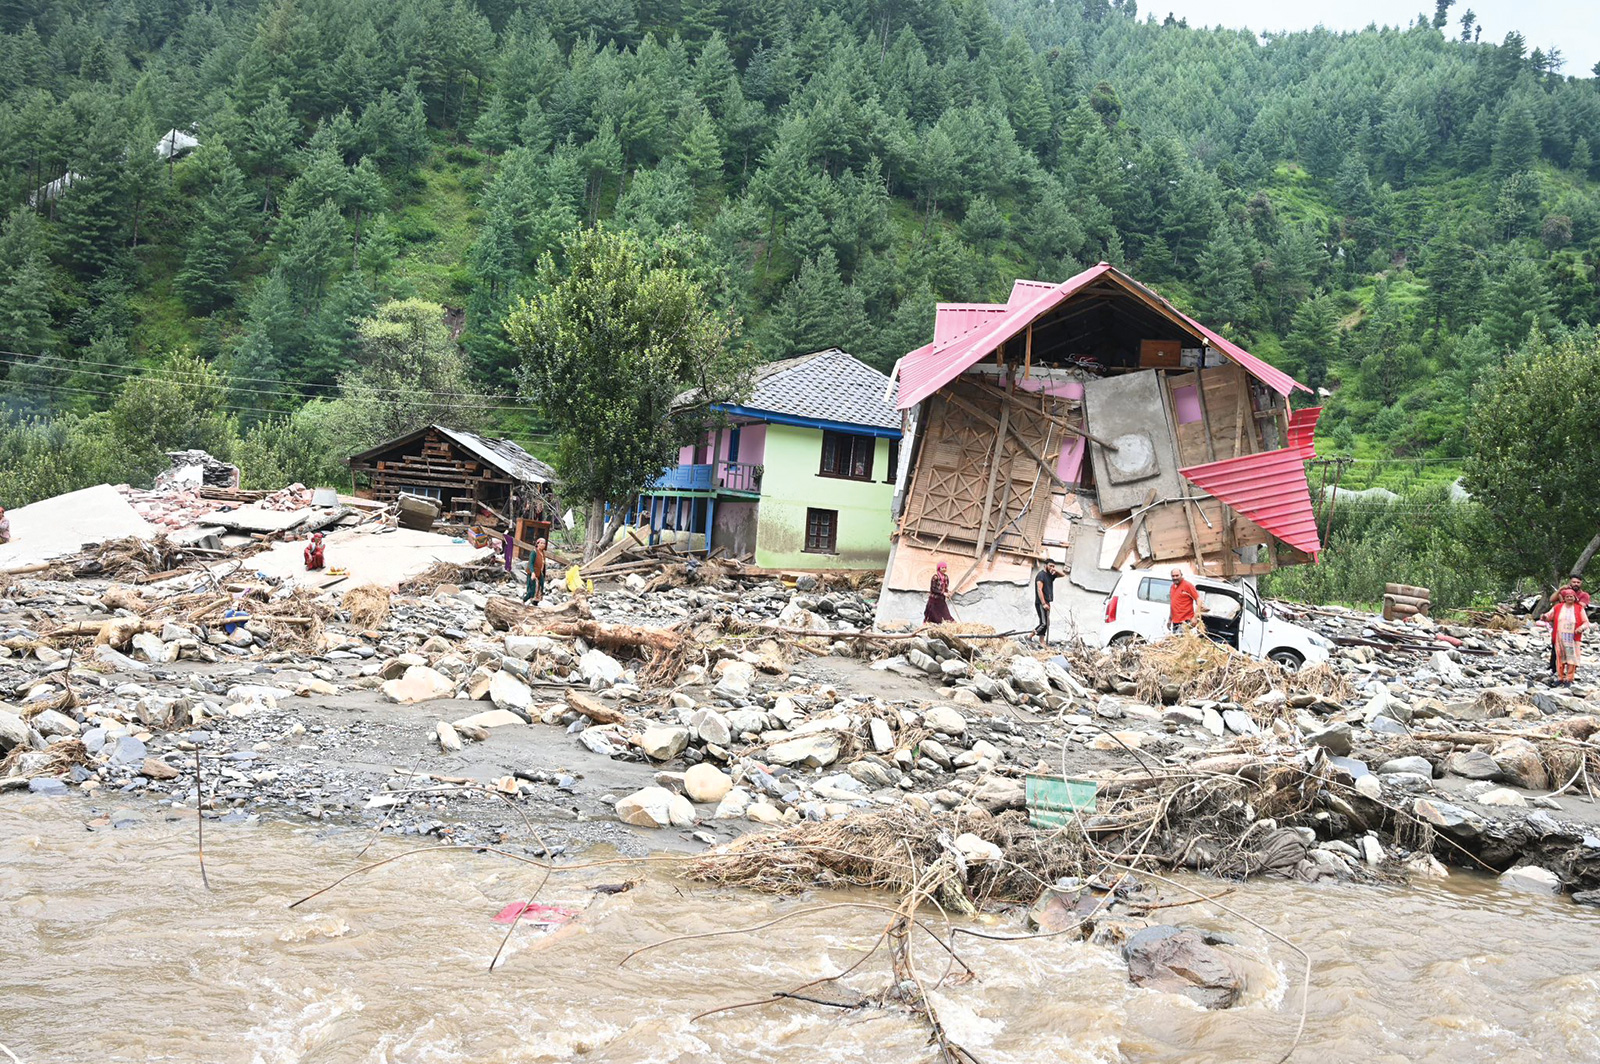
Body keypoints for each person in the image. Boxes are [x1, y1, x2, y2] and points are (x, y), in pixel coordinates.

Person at [1542, 587, 1589, 686]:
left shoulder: (1579, 608)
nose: (1569, 598)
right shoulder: (1558, 607)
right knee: (1559, 658)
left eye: (1571, 596)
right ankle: (1560, 678)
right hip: (1559, 637)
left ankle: (1569, 678)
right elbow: (1548, 616)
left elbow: (1586, 622)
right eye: (1567, 596)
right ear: (1564, 598)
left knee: (1572, 658)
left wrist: (1581, 628)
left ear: (1575, 597)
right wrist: (1544, 617)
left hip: (1573, 638)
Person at [1169, 568, 1204, 632]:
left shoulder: (1188, 585)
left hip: (1185, 621)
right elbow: (1173, 604)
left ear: (1181, 575)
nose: (1175, 577)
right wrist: (1169, 619)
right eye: (1173, 576)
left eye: (1177, 575)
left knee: (1180, 639)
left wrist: (1195, 617)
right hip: (1175, 621)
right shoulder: (1172, 587)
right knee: (1176, 640)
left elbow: (1199, 601)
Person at [1033, 560, 1060, 641]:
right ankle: (1030, 636)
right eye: (1050, 566)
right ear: (1045, 565)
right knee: (1043, 623)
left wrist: (1055, 570)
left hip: (1047, 602)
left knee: (1046, 623)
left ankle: (1042, 641)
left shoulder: (1049, 575)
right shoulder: (1041, 575)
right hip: (1041, 602)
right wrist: (1044, 603)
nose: (1052, 567)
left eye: (1053, 566)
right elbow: (1039, 590)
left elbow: (1063, 575)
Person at [523, 536, 548, 603]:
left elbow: (543, 564)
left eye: (544, 543)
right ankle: (524, 601)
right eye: (541, 543)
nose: (543, 545)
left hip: (540, 573)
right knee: (532, 590)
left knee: (540, 589)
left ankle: (535, 603)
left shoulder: (542, 553)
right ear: (537, 544)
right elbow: (530, 563)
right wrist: (532, 573)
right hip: (533, 573)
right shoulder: (534, 552)